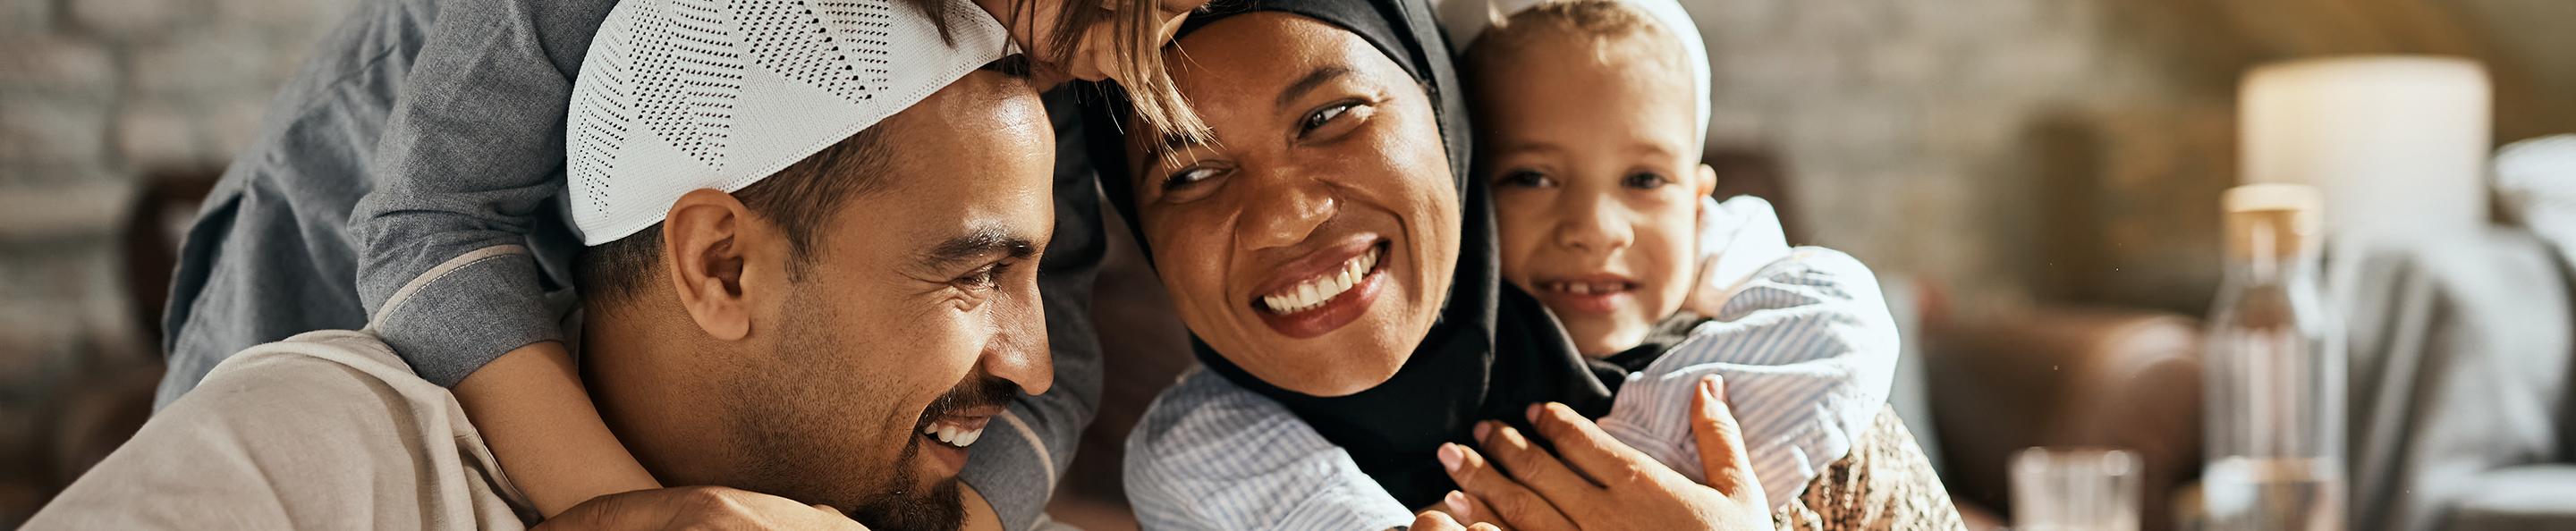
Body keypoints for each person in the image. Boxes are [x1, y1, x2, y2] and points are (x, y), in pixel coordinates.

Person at [150, 0, 1208, 525]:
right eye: (1098, 13)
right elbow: (431, 216)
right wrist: (639, 512)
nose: (1096, 66)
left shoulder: (1041, 54)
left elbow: (1052, 306)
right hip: (370, 202)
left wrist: (970, 518)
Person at [1080, 0, 1965, 527]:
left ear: (1449, 132)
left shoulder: (1775, 401)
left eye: (1331, 116)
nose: (1284, 214)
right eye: (1187, 171)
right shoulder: (1205, 488)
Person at [1455, 0, 1899, 500]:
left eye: (1643, 180)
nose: (1598, 230)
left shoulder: (1748, 353)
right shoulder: (1434, 376)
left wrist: (1627, 465)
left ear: (1697, 207)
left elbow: (1845, 322)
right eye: (1532, 178)